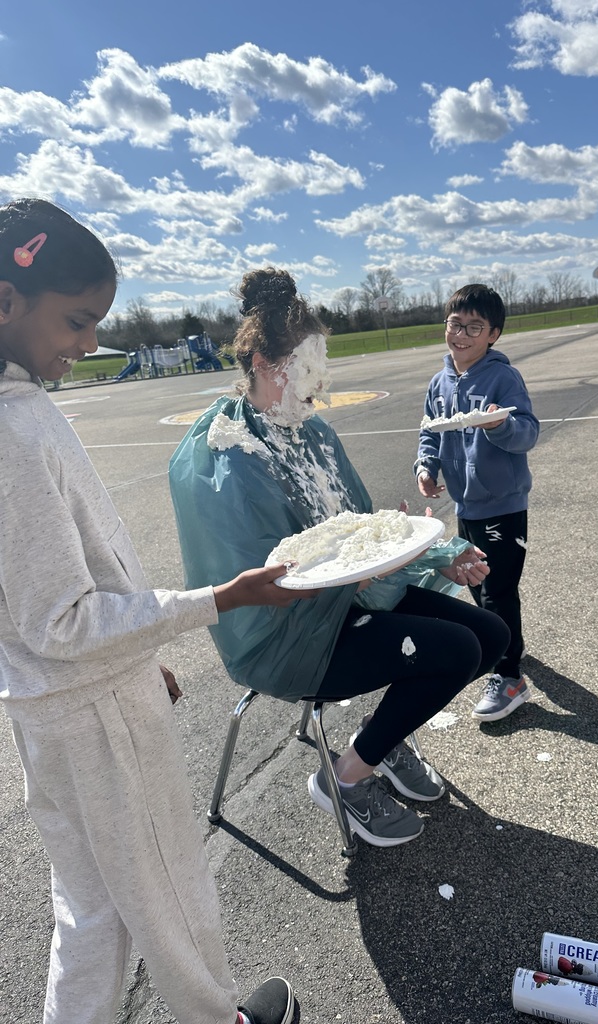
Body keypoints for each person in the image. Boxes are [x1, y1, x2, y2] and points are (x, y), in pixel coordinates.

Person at [0, 198, 305, 1024]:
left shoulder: (18, 408)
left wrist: (139, 651)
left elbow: (39, 605)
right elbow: (62, 622)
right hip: (93, 715)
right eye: (75, 320)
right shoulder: (15, 435)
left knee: (91, 913)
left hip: (51, 711)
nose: (90, 344)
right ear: (5, 301)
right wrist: (219, 599)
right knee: (173, 889)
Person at [169, 268, 510, 849]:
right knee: (454, 651)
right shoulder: (226, 456)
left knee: (491, 634)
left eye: (320, 376)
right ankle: (344, 780)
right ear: (259, 364)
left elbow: (360, 526)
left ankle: (382, 739)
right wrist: (387, 566)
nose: (316, 393)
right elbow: (273, 579)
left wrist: (435, 553)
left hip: (346, 602)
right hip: (284, 634)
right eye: (304, 376)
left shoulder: (314, 433)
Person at [415, 283, 540, 723]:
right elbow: (431, 430)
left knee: (498, 591)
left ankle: (509, 675)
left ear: (493, 334)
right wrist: (425, 467)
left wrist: (498, 425)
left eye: (474, 327)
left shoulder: (502, 377)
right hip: (465, 507)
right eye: (455, 324)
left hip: (502, 506)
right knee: (475, 583)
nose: (462, 334)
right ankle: (503, 641)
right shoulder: (439, 381)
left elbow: (528, 431)